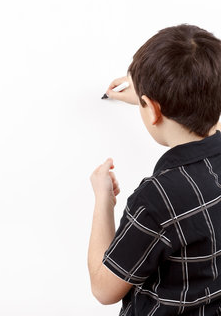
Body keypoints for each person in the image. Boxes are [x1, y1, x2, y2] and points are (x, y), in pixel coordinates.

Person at [87, 24, 221, 315]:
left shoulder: (158, 198)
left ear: (152, 110)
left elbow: (103, 288)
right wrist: (150, 95)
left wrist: (103, 200)